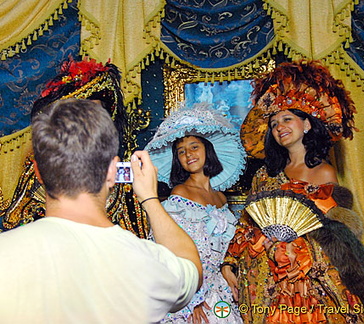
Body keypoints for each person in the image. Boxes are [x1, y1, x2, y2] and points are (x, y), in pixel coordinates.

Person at [0, 98, 202, 323]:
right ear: (112, 170)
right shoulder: (147, 260)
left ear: (37, 171)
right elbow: (191, 266)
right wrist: (150, 198)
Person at [221, 61, 364, 323]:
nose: (279, 126)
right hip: (265, 273)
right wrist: (229, 263)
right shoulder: (263, 176)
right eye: (274, 123)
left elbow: (333, 232)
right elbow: (246, 226)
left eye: (287, 119)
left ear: (306, 124)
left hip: (309, 278)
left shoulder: (325, 173)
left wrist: (298, 251)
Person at [0, 57, 149, 238]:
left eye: (98, 115)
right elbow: (21, 219)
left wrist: (150, 201)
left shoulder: (120, 175)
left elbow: (136, 233)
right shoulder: (43, 165)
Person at [145, 103, 246, 323]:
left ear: (207, 150)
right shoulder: (180, 193)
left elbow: (229, 246)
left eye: (194, 147)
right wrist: (191, 299)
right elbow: (169, 251)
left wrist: (228, 268)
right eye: (181, 151)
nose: (188, 154)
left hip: (221, 289)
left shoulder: (220, 197)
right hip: (195, 293)